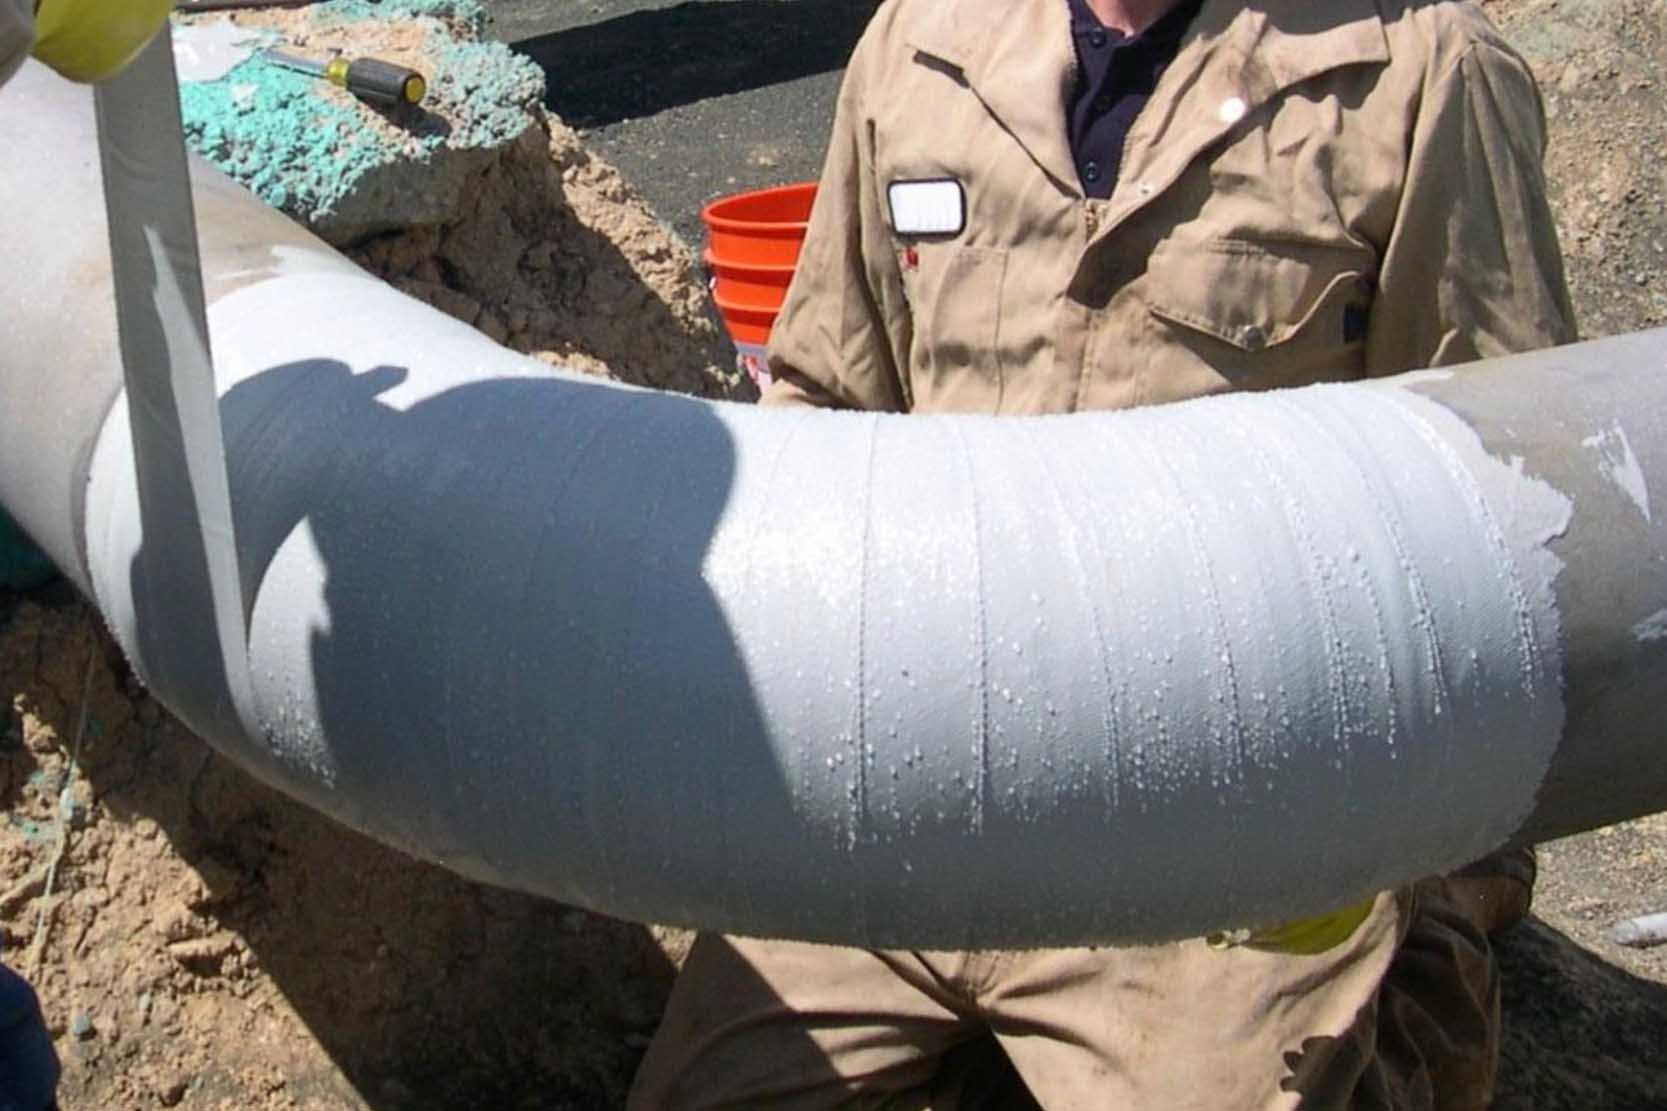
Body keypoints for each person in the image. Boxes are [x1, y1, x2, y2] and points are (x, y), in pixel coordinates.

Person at [634, 0, 1574, 1105]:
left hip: (1225, 826)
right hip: (928, 780)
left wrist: (1429, 867)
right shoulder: (923, 40)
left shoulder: (1415, 72)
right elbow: (829, 397)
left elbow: (1497, 489)